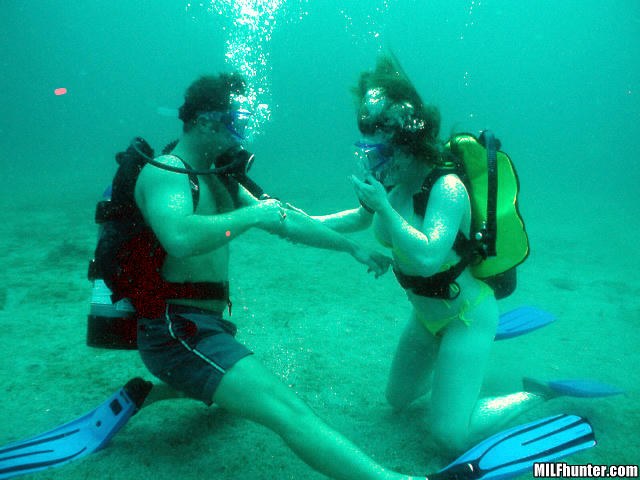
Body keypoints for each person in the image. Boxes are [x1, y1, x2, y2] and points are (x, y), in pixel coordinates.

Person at [133, 73, 422, 480]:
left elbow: (286, 221)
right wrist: (254, 215)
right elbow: (179, 237)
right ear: (203, 121)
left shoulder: (218, 177)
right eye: (235, 123)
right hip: (174, 332)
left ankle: (150, 394)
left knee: (246, 393)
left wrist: (351, 247)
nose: (241, 135)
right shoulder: (168, 172)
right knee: (287, 411)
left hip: (204, 328)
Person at [312, 55, 545, 453]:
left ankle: (535, 394)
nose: (373, 162)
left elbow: (428, 258)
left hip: (466, 316)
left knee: (449, 436)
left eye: (380, 151)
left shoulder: (446, 187)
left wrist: (384, 208)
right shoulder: (395, 184)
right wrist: (286, 216)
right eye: (370, 150)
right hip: (425, 317)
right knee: (397, 400)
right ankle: (455, 378)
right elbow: (355, 219)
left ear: (407, 145)